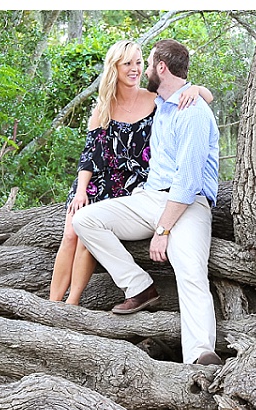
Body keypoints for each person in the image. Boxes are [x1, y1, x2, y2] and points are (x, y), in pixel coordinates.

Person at [72, 39, 222, 366]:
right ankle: (139, 287)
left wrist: (163, 231)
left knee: (191, 273)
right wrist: (198, 88)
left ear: (161, 68)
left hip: (188, 205)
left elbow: (188, 181)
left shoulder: (193, 112)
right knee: (85, 221)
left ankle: (200, 355)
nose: (143, 69)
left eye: (148, 63)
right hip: (151, 198)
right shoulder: (165, 105)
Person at [48, 39, 212, 305]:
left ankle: (72, 302)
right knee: (70, 233)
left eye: (139, 62)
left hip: (133, 183)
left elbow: (194, 96)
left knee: (87, 241)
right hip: (99, 181)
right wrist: (80, 192)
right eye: (128, 63)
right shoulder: (103, 107)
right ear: (115, 67)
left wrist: (197, 89)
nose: (135, 68)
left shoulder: (155, 99)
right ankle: (52, 303)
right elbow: (90, 155)